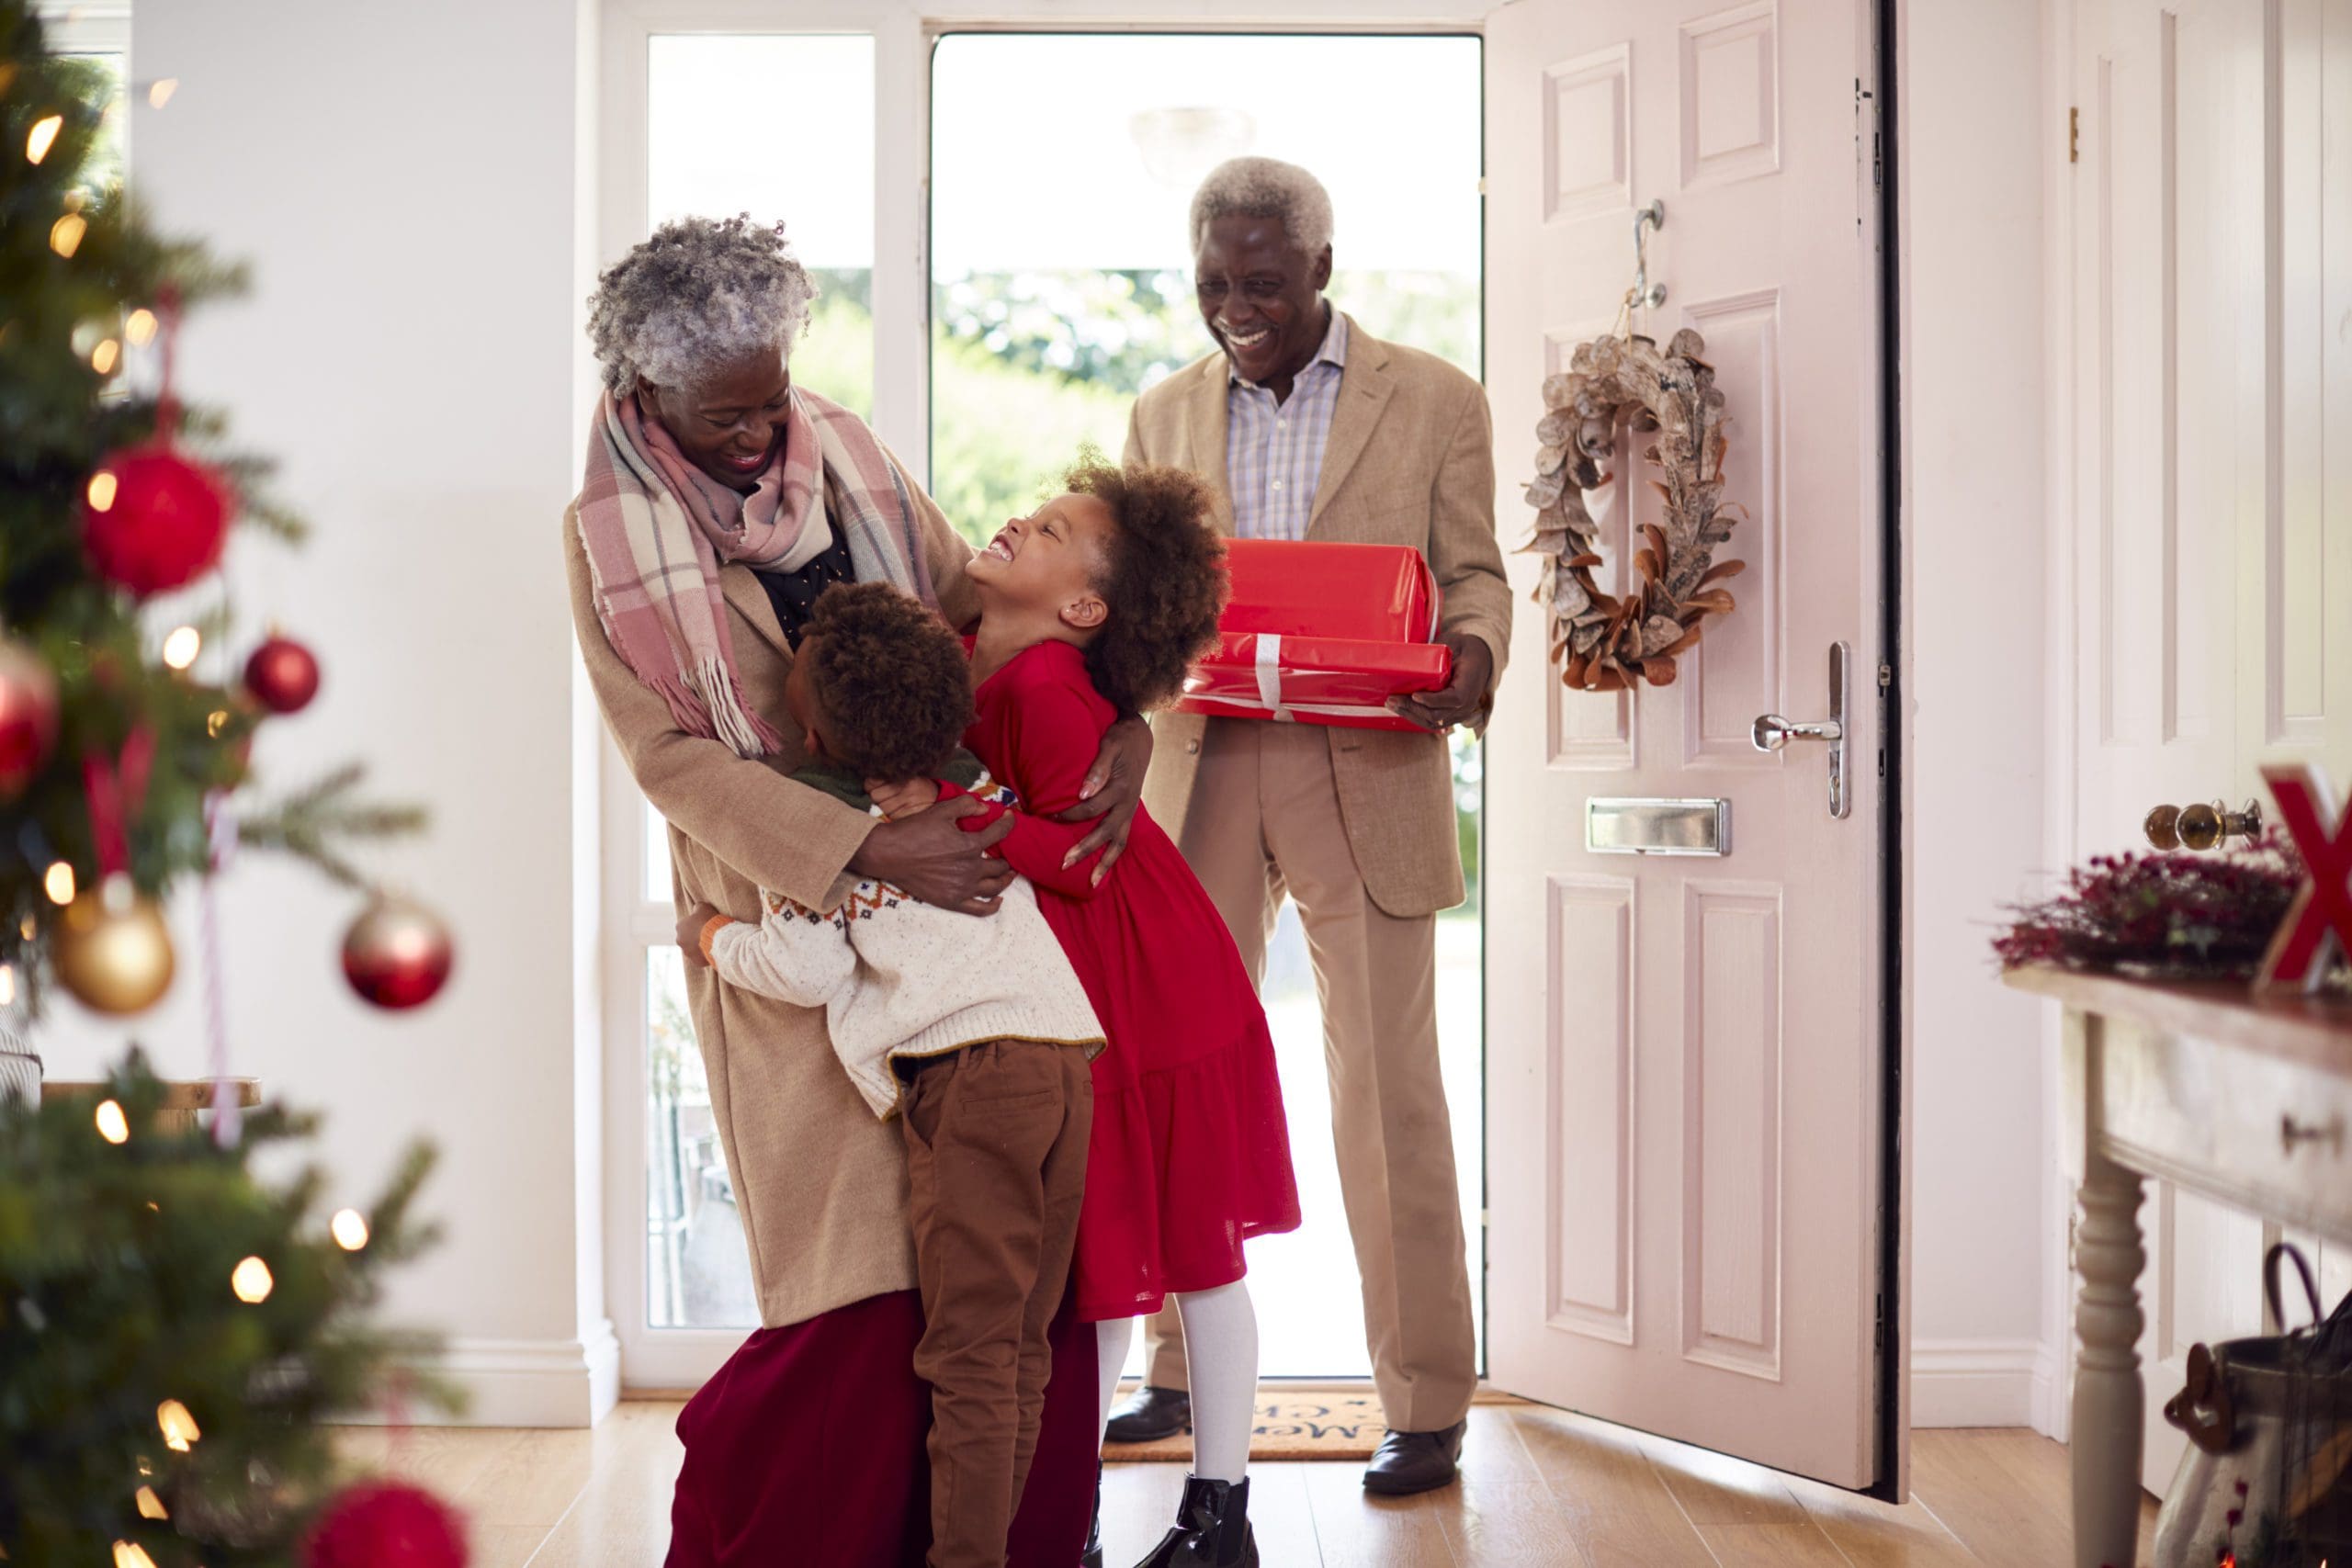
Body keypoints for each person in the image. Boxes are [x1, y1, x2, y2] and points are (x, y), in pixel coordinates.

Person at [566, 214, 1150, 1567]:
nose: (768, 426)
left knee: (990, 1260)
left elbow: (979, 605)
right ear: (648, 394)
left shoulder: (846, 452)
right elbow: (667, 755)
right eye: (730, 413)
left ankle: (1020, 1533)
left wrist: (1124, 709)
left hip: (948, 902)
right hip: (796, 898)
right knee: (850, 1269)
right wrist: (860, 853)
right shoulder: (604, 536)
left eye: (776, 388)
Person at [1115, 157, 1512, 1497]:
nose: (1238, 306)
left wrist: (1473, 650)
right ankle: (1173, 1363)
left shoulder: (1436, 398)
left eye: (1265, 282)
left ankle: (1425, 1395)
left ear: (1323, 270)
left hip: (1369, 760)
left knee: (1387, 1090)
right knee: (1174, 1070)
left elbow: (1473, 576)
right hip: (1205, 757)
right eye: (1216, 282)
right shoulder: (1160, 412)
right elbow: (1136, 593)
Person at [677, 581, 1102, 1568]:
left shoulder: (837, 843)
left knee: (965, 1360)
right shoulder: (980, 787)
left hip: (976, 1079)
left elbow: (803, 969)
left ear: (815, 735)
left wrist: (708, 934)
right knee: (1019, 1347)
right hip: (1065, 1067)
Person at [956, 458, 1301, 1568]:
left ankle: (1220, 1514)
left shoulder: (1042, 687)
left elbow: (1076, 863)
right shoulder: (993, 656)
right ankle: (1082, 1517)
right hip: (1111, 995)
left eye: (1049, 528)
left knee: (1191, 1260)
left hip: (1153, 1003)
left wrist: (963, 816)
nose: (1018, 519)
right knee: (1103, 1268)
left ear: (1083, 609)